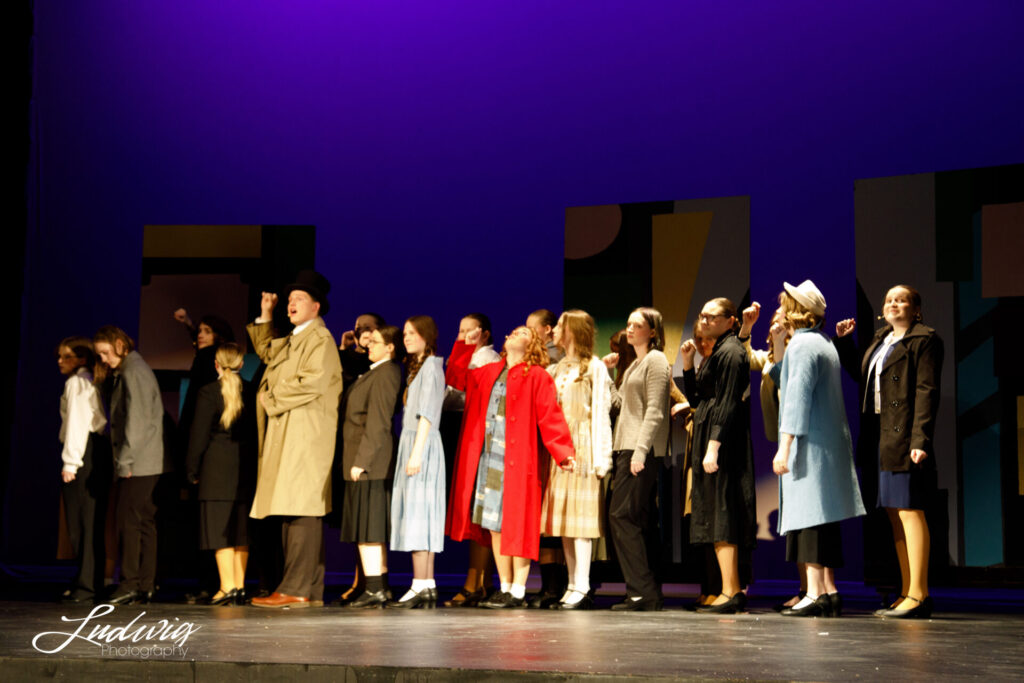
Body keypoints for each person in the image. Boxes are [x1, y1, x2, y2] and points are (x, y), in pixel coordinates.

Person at [446, 325, 575, 608]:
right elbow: (455, 377)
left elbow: (550, 416)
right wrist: (463, 345)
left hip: (519, 461)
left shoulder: (536, 376)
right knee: (495, 525)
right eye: (514, 331)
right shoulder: (489, 373)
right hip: (490, 459)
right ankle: (505, 587)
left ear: (534, 344)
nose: (516, 334)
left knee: (519, 523)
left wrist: (563, 452)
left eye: (524, 332)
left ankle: (518, 589)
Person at [835, 284, 943, 619]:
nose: (894, 303)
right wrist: (844, 343)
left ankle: (920, 594)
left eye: (901, 300)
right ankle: (906, 590)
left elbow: (927, 391)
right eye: (889, 300)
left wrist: (920, 440)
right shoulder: (881, 340)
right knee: (894, 514)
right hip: (879, 434)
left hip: (904, 434)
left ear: (915, 309)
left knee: (910, 509)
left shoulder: (924, 340)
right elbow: (863, 378)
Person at [767, 281, 865, 618]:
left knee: (808, 518)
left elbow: (796, 399)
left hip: (809, 443)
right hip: (826, 442)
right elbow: (782, 377)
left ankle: (812, 593)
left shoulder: (804, 347)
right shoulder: (821, 343)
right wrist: (780, 344)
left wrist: (784, 448)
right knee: (822, 518)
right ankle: (828, 590)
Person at [247, 270, 343, 609]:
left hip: (306, 437)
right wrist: (266, 314)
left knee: (301, 510)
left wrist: (270, 398)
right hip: (291, 435)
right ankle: (308, 589)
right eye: (289, 300)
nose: (291, 304)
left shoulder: (320, 340)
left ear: (316, 306)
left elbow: (313, 382)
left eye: (298, 299)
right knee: (293, 509)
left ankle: (296, 587)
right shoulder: (294, 338)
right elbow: (267, 351)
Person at [680, 298, 755, 614]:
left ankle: (730, 590)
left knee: (723, 511)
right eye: (702, 316)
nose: (705, 320)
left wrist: (713, 445)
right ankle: (730, 588)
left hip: (721, 439)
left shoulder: (732, 352)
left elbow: (727, 403)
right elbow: (700, 396)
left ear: (730, 320)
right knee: (713, 510)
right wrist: (688, 364)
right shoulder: (720, 350)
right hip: (711, 432)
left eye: (712, 316)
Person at [540, 310, 612, 610]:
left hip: (582, 447)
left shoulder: (593, 367)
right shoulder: (557, 369)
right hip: (560, 450)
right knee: (565, 523)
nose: (555, 330)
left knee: (581, 522)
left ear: (574, 330)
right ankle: (572, 583)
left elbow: (600, 412)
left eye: (560, 325)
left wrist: (601, 458)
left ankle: (582, 585)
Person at [94, 326, 168, 605]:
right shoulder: (136, 368)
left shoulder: (133, 370)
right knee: (144, 523)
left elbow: (136, 420)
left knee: (129, 523)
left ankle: (129, 583)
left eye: (105, 352)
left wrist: (125, 461)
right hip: (148, 460)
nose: (102, 359)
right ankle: (145, 585)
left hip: (138, 461)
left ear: (119, 345)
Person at [607, 307, 672, 611]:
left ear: (653, 332)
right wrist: (607, 375)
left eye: (638, 325)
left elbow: (656, 410)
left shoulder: (656, 361)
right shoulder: (635, 364)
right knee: (635, 519)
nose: (630, 329)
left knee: (622, 517)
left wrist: (641, 451)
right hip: (627, 447)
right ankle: (646, 591)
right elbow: (621, 405)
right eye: (628, 324)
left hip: (639, 450)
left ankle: (642, 592)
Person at [185, 343, 257, 606]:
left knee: (219, 530)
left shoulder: (208, 392)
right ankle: (238, 586)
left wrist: (192, 469)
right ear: (241, 364)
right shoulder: (251, 390)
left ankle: (226, 587)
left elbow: (198, 436)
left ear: (216, 364)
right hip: (246, 469)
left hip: (216, 470)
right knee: (240, 530)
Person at [441, 313, 501, 607]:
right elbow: (452, 384)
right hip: (467, 434)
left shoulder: (489, 361)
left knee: (481, 512)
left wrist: (464, 351)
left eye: (469, 331)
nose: (463, 336)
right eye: (459, 330)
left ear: (485, 333)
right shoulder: (468, 358)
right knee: (474, 512)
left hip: (484, 437)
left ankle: (476, 582)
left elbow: (457, 383)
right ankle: (481, 582)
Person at [340, 325, 403, 608]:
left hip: (371, 463)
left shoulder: (387, 372)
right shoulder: (376, 371)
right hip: (364, 460)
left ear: (390, 347)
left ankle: (376, 588)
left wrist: (362, 461)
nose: (370, 346)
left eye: (376, 342)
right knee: (367, 528)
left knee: (370, 529)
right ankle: (379, 587)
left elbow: (378, 422)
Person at [388, 316, 446, 608]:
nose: (407, 337)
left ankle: (420, 584)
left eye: (412, 333)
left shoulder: (432, 369)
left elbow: (427, 415)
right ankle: (426, 583)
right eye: (406, 333)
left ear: (427, 335)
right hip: (414, 443)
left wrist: (416, 453)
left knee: (420, 514)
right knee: (419, 514)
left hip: (420, 444)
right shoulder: (419, 369)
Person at [332, 312, 385, 605]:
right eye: (357, 328)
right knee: (357, 524)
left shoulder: (380, 367)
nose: (361, 333)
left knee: (369, 524)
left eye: (368, 329)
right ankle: (361, 580)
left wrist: (360, 351)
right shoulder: (357, 363)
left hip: (369, 453)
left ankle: (372, 582)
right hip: (349, 446)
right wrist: (344, 349)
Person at [56, 337, 110, 604]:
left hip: (84, 454)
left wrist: (70, 462)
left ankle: (87, 586)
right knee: (89, 523)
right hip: (93, 454)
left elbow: (77, 424)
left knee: (82, 523)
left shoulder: (78, 382)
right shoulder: (90, 380)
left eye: (65, 356)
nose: (59, 362)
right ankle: (87, 581)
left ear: (81, 359)